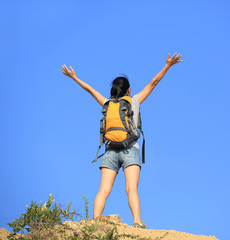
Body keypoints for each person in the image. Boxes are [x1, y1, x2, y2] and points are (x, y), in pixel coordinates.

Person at [61, 53, 182, 228]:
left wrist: (74, 77)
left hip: (110, 151)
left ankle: (94, 222)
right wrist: (168, 65)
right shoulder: (134, 101)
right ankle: (138, 223)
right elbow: (153, 83)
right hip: (130, 149)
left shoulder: (107, 103)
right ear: (128, 90)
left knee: (103, 190)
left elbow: (89, 90)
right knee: (131, 189)